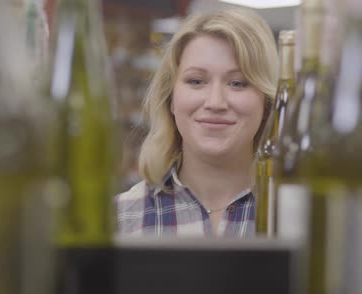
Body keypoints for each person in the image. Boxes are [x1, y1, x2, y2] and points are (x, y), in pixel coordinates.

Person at [116, 7, 278, 237]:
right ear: (171, 99)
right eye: (196, 81)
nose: (216, 102)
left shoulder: (295, 218)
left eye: (238, 83)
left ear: (267, 103)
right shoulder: (121, 219)